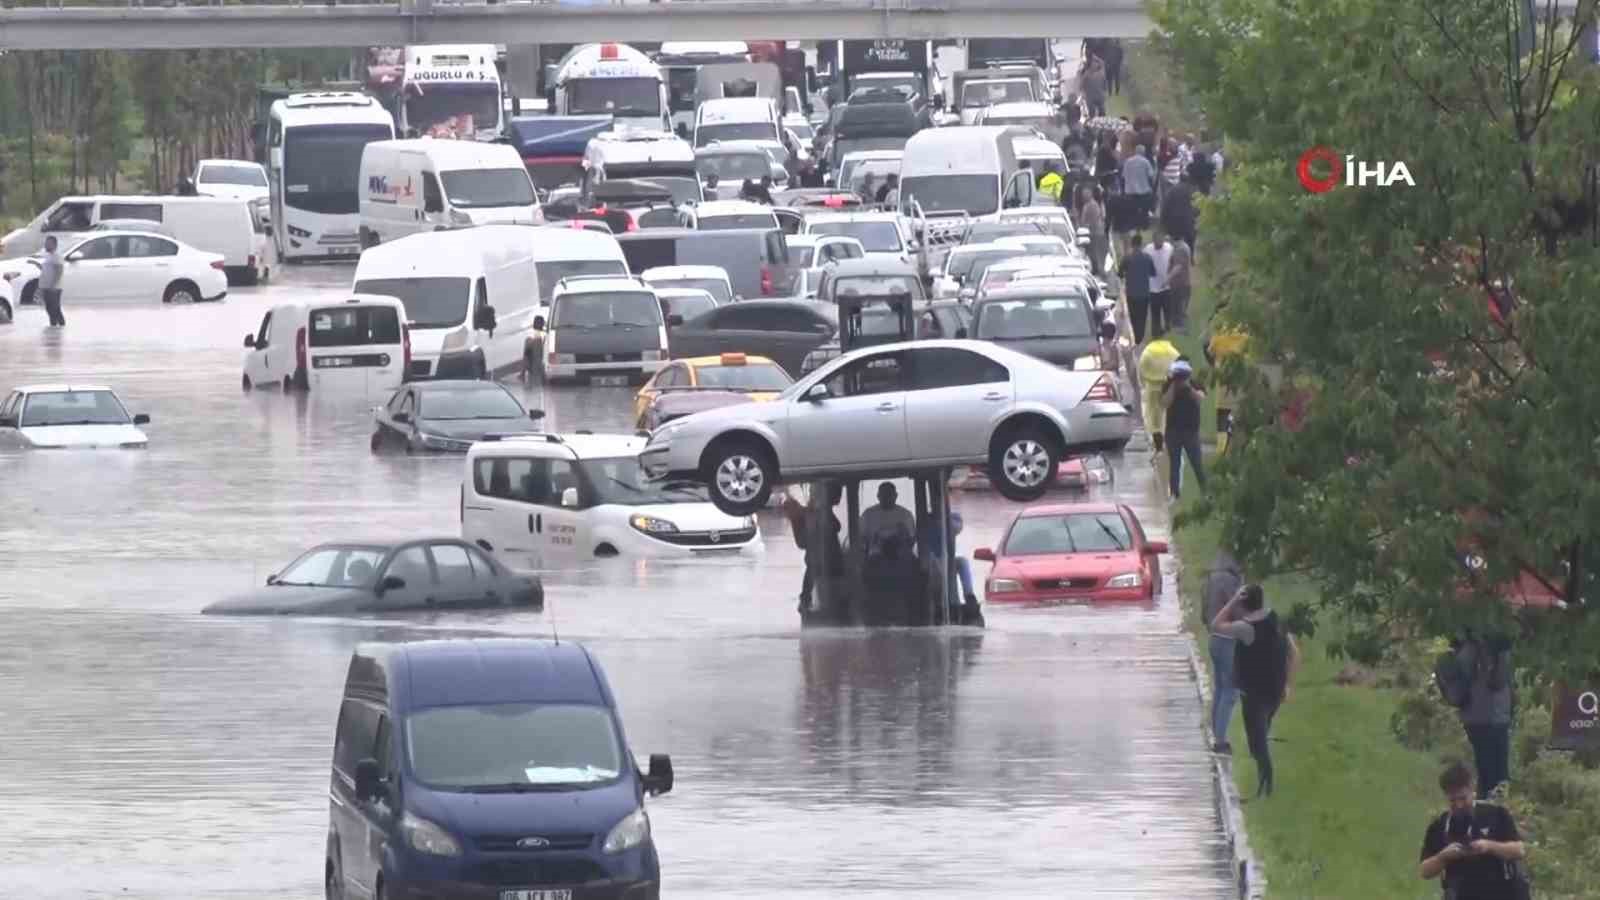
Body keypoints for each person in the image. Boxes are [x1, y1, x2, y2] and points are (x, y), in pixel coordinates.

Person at [1212, 583, 1300, 798]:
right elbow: (1294, 652)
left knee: (1257, 743)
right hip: (1275, 689)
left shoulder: (1245, 628)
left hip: (1254, 693)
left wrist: (1232, 600)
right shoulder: (1275, 621)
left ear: (1243, 604)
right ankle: (1264, 787)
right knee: (1261, 737)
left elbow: (1216, 625)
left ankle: (1266, 789)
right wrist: (1288, 683)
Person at [1418, 760, 1528, 900]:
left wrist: (1489, 846)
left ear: (1473, 789)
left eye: (1463, 798)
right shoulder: (1439, 826)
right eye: (1453, 800)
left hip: (1500, 892)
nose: (1459, 805)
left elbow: (1519, 850)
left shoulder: (1496, 814)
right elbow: (1424, 871)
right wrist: (1444, 856)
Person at [1449, 633, 1516, 799]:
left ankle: (1485, 809)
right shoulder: (1490, 647)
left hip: (1475, 717)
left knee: (1487, 772)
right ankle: (1489, 812)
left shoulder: (1466, 647)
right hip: (1491, 717)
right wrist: (1503, 656)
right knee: (1497, 776)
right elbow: (1498, 682)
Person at [1204, 550, 1244, 754]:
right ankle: (1220, 741)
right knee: (1230, 690)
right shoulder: (1229, 580)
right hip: (1228, 639)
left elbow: (1204, 609)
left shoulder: (1212, 577)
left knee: (1220, 688)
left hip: (1214, 638)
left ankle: (1216, 732)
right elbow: (1237, 609)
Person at [785, 486, 845, 617]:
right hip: (819, 555)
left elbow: (836, 526)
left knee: (823, 573)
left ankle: (814, 602)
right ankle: (808, 602)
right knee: (814, 572)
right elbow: (834, 527)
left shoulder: (816, 511)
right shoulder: (810, 512)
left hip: (826, 554)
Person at [1162, 358, 1206, 500]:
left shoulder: (1195, 383)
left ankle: (1206, 492)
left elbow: (1200, 398)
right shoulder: (1169, 384)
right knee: (1174, 464)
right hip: (1173, 431)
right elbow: (1164, 403)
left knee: (1197, 464)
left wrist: (1188, 387)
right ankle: (1174, 494)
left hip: (1191, 431)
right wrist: (1174, 386)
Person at [1137, 328, 1180, 451]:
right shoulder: (1173, 352)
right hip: (1169, 387)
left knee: (1155, 419)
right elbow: (1179, 368)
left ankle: (1159, 446)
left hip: (1152, 388)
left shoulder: (1148, 352)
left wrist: (1143, 384)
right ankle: (1170, 443)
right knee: (1169, 416)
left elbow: (1141, 370)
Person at [1118, 232, 1157, 344]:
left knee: (1133, 316)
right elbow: (1153, 273)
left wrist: (1127, 275)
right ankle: (1140, 337)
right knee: (1142, 317)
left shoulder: (1127, 258)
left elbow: (1120, 273)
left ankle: (1135, 336)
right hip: (1144, 293)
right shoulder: (1147, 258)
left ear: (1132, 244)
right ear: (1141, 244)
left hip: (1131, 293)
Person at [860, 482, 915, 560]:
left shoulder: (906, 514)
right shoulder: (868, 514)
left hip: (901, 560)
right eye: (883, 495)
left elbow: (911, 539)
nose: (886, 498)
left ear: (896, 496)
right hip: (875, 560)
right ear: (878, 496)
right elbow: (861, 540)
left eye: (889, 495)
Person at [1121, 144, 1157, 232]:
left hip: (1130, 191)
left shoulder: (1128, 162)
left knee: (1131, 211)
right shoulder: (1146, 162)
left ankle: (1132, 225)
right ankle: (1144, 226)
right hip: (1144, 191)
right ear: (1143, 152)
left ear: (1135, 152)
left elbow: (1123, 176)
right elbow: (1151, 176)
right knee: (1144, 211)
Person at [1144, 231, 1173, 338]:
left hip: (1166, 286)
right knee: (1155, 312)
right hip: (1153, 287)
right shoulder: (1148, 249)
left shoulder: (1169, 248)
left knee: (1167, 310)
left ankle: (1167, 328)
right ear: (1153, 240)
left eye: (1160, 242)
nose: (1158, 244)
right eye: (1156, 242)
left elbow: (1173, 261)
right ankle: (1155, 333)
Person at [1078, 184, 1108, 277]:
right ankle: (1097, 269)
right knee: (1092, 252)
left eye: (1086, 194)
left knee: (1095, 252)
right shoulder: (1087, 204)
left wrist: (1086, 225)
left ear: (1090, 194)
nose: (1084, 196)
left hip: (1094, 232)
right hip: (1091, 232)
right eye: (1083, 194)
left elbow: (1094, 219)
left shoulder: (1092, 205)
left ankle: (1099, 271)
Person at [38, 235, 66, 327]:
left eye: (48, 243)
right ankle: (54, 327)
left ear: (54, 245)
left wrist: (53, 285)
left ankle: (59, 327)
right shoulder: (48, 256)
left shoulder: (57, 256)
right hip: (47, 287)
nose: (46, 245)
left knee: (54, 309)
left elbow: (59, 271)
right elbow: (46, 269)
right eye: (46, 243)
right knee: (50, 308)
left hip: (54, 288)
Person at [1167, 235, 1193, 332]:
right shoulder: (1185, 246)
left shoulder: (1180, 249)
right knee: (1180, 307)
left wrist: (1167, 279)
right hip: (1184, 282)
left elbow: (1178, 266)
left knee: (1177, 307)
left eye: (1170, 240)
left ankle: (1179, 327)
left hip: (1179, 283)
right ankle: (1179, 324)